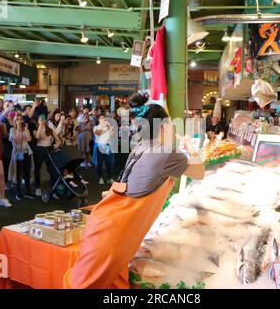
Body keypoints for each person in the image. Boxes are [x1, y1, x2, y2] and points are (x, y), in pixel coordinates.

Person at [64, 93, 205, 289]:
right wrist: (191, 147)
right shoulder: (165, 153)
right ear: (164, 127)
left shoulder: (140, 147)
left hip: (104, 225)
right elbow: (199, 172)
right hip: (114, 239)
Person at [33, 114, 61, 198]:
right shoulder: (35, 130)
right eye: (40, 119)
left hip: (49, 149)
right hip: (39, 149)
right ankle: (37, 187)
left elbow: (59, 140)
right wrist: (40, 126)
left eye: (43, 119)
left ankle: (54, 189)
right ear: (38, 121)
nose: (42, 120)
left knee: (52, 169)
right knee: (37, 168)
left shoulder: (50, 130)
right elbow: (37, 136)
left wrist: (57, 144)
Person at [9, 115, 34, 200]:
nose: (20, 121)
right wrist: (19, 131)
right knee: (18, 174)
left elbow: (29, 139)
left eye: (21, 119)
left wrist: (26, 129)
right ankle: (18, 191)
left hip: (27, 153)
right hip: (18, 154)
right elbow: (17, 140)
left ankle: (28, 191)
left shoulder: (25, 129)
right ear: (15, 121)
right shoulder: (12, 130)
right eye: (17, 120)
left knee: (27, 173)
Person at [94, 114, 114, 185]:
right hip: (100, 147)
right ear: (98, 119)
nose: (103, 119)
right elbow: (98, 133)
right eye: (101, 118)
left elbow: (112, 134)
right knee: (100, 163)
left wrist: (108, 127)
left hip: (108, 147)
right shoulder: (96, 127)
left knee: (109, 163)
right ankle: (100, 178)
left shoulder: (108, 126)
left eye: (104, 118)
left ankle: (109, 178)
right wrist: (102, 126)